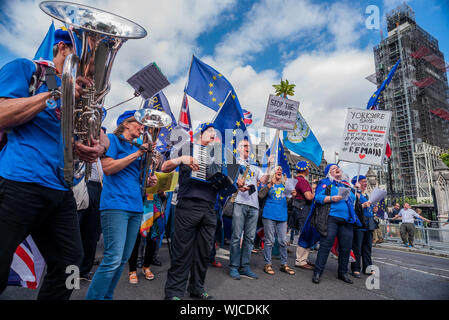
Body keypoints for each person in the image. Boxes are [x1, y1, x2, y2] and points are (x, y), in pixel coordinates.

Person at [0, 29, 106, 300]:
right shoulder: (26, 68)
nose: (91, 70)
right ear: (62, 48)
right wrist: (59, 93)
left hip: (60, 189)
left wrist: (90, 147)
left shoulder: (81, 93)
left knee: (71, 264)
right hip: (18, 183)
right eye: (87, 60)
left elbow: (97, 138)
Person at [85, 110, 157, 300]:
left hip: (135, 206)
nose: (143, 127)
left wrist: (149, 180)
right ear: (126, 123)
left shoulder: (137, 147)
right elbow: (108, 168)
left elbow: (137, 177)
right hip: (115, 204)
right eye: (139, 123)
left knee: (122, 259)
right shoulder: (112, 140)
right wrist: (138, 154)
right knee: (112, 258)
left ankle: (106, 297)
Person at [163, 122, 220, 300]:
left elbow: (227, 182)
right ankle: (174, 292)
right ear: (199, 134)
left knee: (204, 252)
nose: (213, 135)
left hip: (210, 208)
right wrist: (182, 160)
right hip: (188, 205)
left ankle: (196, 288)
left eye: (215, 133)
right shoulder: (187, 147)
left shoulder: (219, 155)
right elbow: (164, 167)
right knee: (182, 250)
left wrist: (235, 184)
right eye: (209, 132)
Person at [311, 164, 361, 284]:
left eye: (338, 168)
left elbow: (354, 200)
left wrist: (357, 189)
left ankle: (342, 273)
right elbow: (317, 198)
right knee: (325, 245)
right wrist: (332, 198)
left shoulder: (346, 185)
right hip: (331, 218)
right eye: (333, 169)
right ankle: (318, 272)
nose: (337, 169)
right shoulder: (325, 183)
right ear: (329, 173)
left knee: (346, 247)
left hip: (347, 220)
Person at [229, 139, 270, 280]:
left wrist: (270, 166)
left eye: (249, 146)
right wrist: (237, 184)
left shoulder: (254, 166)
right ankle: (234, 267)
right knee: (236, 237)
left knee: (249, 238)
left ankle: (245, 266)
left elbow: (264, 181)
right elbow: (229, 179)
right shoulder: (234, 163)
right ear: (239, 148)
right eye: (245, 146)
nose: (248, 148)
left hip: (254, 206)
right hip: (239, 203)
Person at [260, 166, 296, 276]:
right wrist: (270, 184)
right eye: (277, 169)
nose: (279, 170)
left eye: (281, 169)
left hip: (282, 216)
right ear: (273, 173)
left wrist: (292, 197)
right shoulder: (269, 184)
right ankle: (268, 264)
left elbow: (288, 202)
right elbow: (261, 195)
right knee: (269, 240)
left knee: (283, 241)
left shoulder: (285, 186)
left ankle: (284, 264)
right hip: (269, 215)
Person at [78, 157, 104, 281]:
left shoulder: (104, 149)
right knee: (76, 232)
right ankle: (71, 272)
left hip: (99, 187)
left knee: (92, 233)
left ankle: (84, 270)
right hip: (82, 183)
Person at [350, 175, 377, 278]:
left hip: (369, 224)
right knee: (357, 248)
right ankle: (355, 268)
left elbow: (370, 208)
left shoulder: (366, 195)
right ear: (357, 183)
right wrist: (362, 206)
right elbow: (353, 208)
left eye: (366, 181)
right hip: (359, 224)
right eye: (363, 181)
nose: (365, 183)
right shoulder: (354, 193)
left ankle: (368, 268)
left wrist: (373, 209)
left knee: (367, 248)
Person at [291, 161, 315, 271]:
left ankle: (303, 259)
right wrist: (316, 191)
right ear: (306, 170)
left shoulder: (295, 180)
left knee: (305, 234)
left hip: (298, 209)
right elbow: (309, 197)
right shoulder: (303, 182)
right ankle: (301, 260)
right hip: (304, 209)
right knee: (305, 234)